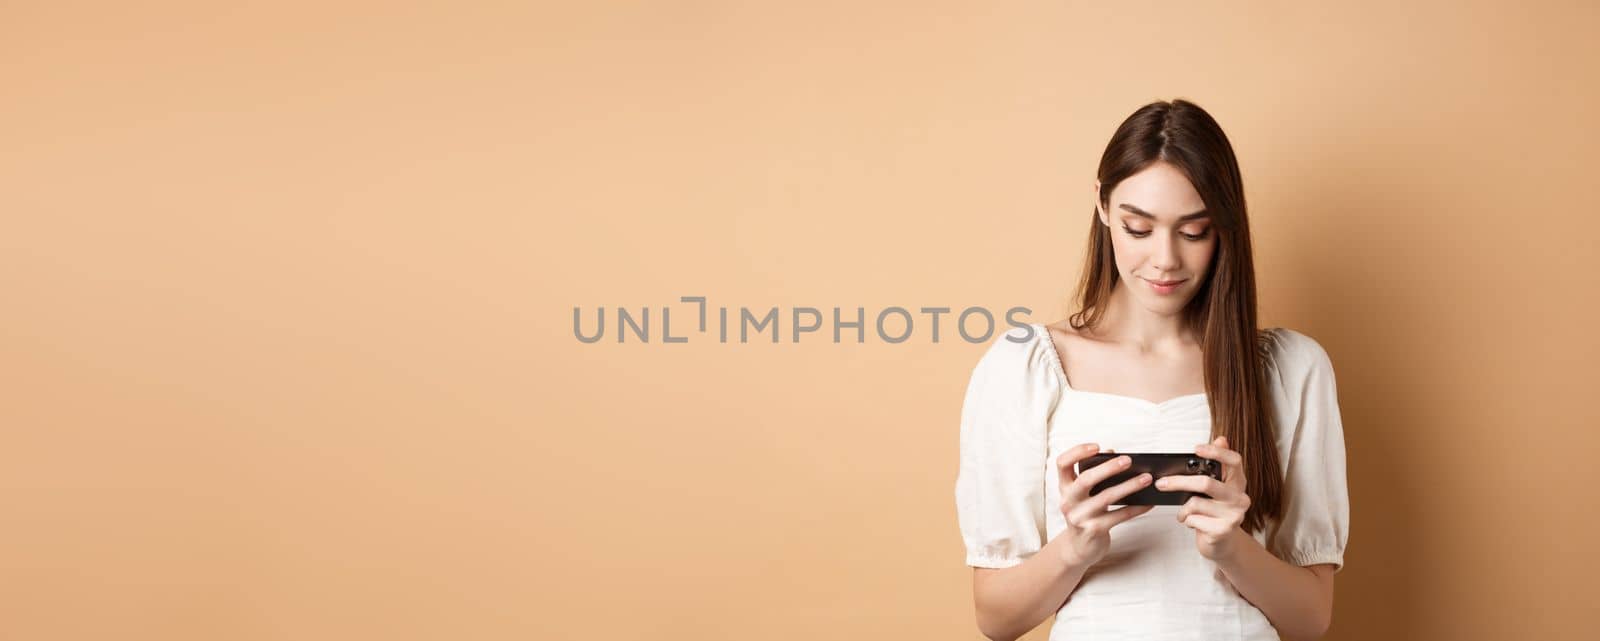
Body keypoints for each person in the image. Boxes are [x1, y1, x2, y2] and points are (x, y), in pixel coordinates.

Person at [953, 99, 1349, 641]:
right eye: (1138, 228)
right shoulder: (1024, 366)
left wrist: (1231, 548)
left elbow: (1311, 620)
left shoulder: (1291, 369)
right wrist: (1076, 546)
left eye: (1194, 232)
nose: (1165, 259)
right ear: (1102, 206)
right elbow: (995, 619)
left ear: (1225, 227)